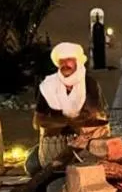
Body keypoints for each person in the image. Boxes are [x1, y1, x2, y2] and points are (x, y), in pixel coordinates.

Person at [26, 42, 108, 174]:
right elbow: (37, 121)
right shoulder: (48, 86)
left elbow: (95, 115)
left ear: (77, 62)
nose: (65, 64)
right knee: (34, 167)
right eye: (61, 61)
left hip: (84, 137)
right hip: (55, 141)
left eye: (69, 60)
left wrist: (77, 125)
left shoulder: (90, 84)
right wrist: (67, 123)